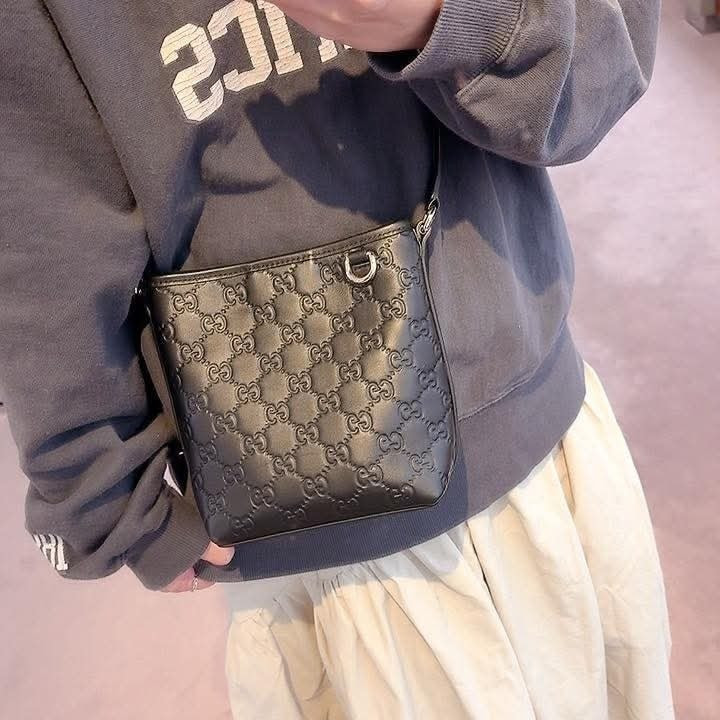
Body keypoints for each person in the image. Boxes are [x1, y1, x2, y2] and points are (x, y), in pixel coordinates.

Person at [0, 1, 674, 718]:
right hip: (319, 522)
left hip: (546, 449)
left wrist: (450, 19)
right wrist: (98, 492)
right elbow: (42, 230)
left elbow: (604, 61)